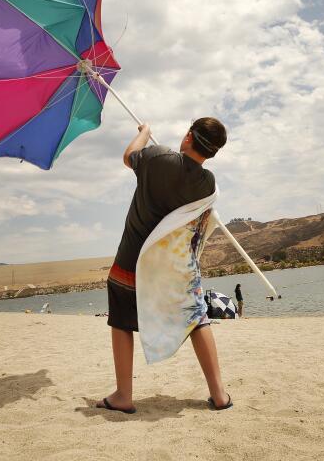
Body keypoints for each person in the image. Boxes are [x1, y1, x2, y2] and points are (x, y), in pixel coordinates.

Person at [97, 118, 231, 414]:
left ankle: (123, 394)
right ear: (213, 152)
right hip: (174, 269)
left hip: (133, 258)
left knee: (121, 320)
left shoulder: (157, 157)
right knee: (198, 318)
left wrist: (144, 132)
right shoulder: (207, 183)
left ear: (187, 137)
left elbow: (128, 156)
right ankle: (219, 394)